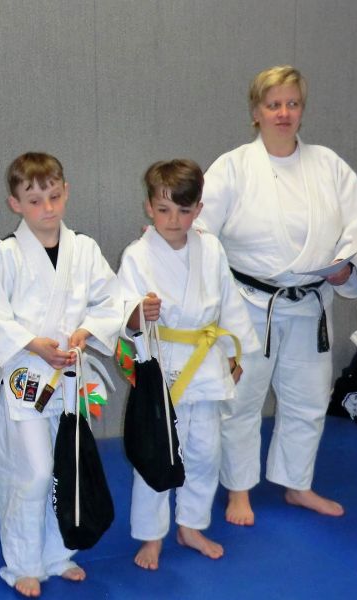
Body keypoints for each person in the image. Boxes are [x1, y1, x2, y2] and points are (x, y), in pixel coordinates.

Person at [196, 65, 357, 526]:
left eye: (292, 104)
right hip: (248, 306)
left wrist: (348, 266)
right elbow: (200, 231)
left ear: (302, 110)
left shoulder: (329, 165)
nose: (284, 113)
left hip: (311, 305)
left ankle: (298, 484)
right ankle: (239, 491)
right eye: (274, 105)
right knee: (241, 401)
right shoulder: (232, 167)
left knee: (309, 399)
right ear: (256, 112)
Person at [0, 152, 124, 597]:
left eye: (55, 196)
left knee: (65, 466)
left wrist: (86, 331)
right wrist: (32, 343)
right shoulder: (3, 253)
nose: (48, 208)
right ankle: (22, 564)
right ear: (15, 204)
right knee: (32, 472)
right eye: (35, 200)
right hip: (26, 377)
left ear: (66, 192)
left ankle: (59, 554)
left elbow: (110, 300)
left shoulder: (84, 249)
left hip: (71, 378)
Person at [117, 159, 258, 570]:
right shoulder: (137, 255)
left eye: (183, 210)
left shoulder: (210, 248)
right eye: (163, 210)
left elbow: (229, 301)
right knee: (157, 453)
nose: (173, 220)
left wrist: (236, 353)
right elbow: (119, 312)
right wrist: (138, 312)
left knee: (205, 453)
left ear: (198, 209)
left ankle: (191, 525)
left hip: (207, 363)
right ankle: (152, 535)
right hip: (162, 366)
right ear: (149, 207)